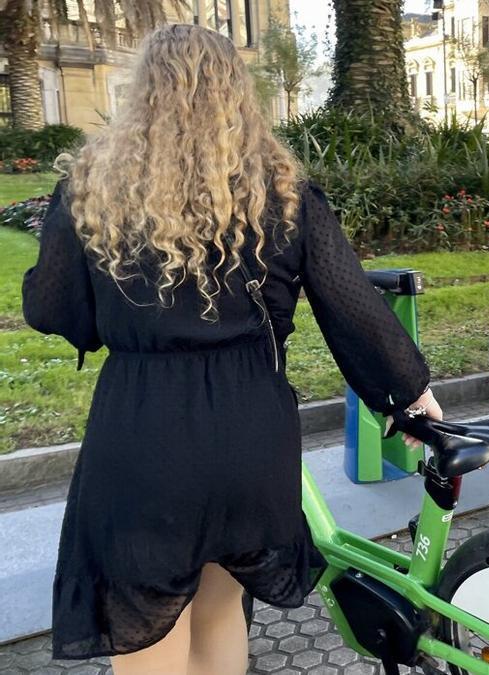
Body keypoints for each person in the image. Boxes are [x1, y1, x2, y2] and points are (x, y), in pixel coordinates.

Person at [23, 24, 439, 673]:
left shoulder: (92, 191)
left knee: (147, 636)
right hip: (250, 441)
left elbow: (49, 306)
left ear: (143, 97)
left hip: (144, 439)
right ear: (235, 98)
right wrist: (409, 390)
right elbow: (350, 302)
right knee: (220, 611)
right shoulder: (282, 193)